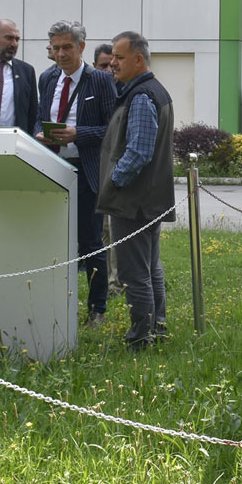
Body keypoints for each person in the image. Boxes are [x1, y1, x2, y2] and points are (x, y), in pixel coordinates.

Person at [34, 21, 117, 326]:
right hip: (51, 169)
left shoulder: (100, 81)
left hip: (86, 172)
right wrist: (39, 135)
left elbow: (112, 129)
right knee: (52, 240)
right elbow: (38, 119)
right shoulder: (47, 78)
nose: (60, 53)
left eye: (67, 47)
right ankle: (53, 299)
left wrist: (78, 134)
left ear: (81, 47)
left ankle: (97, 308)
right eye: (55, 48)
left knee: (91, 243)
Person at [98, 31, 175, 350]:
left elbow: (139, 152)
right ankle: (157, 327)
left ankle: (141, 338)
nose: (112, 63)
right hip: (147, 199)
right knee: (149, 266)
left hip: (133, 201)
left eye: (118, 57)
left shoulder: (142, 96)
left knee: (134, 273)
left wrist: (114, 182)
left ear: (138, 59)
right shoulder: (147, 91)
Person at [92, 41, 121, 293]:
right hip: (93, 171)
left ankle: (115, 282)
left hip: (116, 172)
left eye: (113, 64)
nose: (110, 70)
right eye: (104, 66)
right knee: (99, 231)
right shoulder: (89, 91)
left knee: (113, 228)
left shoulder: (126, 91)